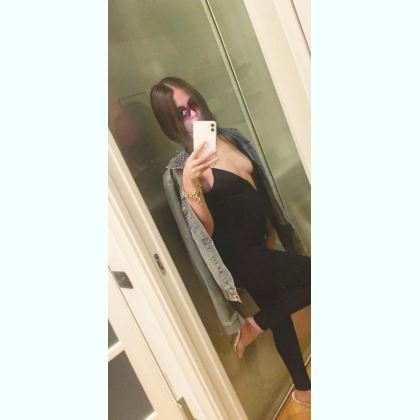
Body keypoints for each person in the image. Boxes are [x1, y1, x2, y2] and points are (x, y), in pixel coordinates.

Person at [150, 77, 311, 407]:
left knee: (280, 318)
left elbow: (256, 189)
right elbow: (206, 230)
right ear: (171, 123)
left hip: (260, 245)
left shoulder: (230, 137)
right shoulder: (187, 168)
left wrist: (270, 230)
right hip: (241, 259)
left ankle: (303, 391)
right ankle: (254, 325)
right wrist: (191, 185)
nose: (194, 113)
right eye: (182, 112)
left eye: (192, 103)